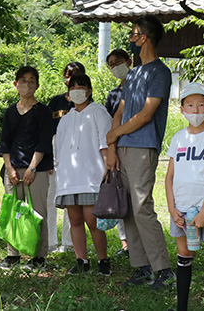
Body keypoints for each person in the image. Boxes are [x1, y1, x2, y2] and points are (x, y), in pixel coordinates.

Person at [106, 15, 174, 289]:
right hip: (122, 148)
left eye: (133, 35)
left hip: (142, 147)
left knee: (142, 207)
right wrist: (112, 145)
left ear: (143, 37)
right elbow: (120, 112)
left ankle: (164, 270)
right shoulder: (133, 74)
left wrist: (115, 134)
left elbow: (147, 114)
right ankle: (142, 267)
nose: (131, 39)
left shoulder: (160, 72)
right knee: (128, 210)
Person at [165, 82, 204, 311]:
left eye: (201, 105)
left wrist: (203, 213)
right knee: (184, 256)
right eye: (190, 105)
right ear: (182, 109)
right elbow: (168, 177)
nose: (195, 110)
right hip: (180, 208)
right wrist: (172, 209)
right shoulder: (178, 138)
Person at [0, 66, 54, 269]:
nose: (27, 84)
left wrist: (31, 168)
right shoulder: (10, 112)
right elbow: (5, 142)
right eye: (23, 80)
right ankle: (12, 255)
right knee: (13, 211)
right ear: (15, 84)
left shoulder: (44, 112)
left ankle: (38, 257)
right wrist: (9, 168)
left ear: (37, 85)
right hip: (12, 168)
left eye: (31, 81)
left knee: (37, 212)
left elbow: (44, 142)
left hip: (36, 169)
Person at [55, 73, 112, 275]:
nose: (77, 91)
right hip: (69, 179)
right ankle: (82, 261)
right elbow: (59, 149)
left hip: (92, 177)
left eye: (81, 87)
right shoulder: (65, 119)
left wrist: (107, 169)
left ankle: (103, 260)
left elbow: (105, 143)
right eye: (73, 88)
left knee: (93, 221)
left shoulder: (99, 112)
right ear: (68, 93)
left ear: (89, 91)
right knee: (75, 221)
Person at [47, 61, 85, 254]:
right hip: (55, 151)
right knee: (51, 198)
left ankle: (69, 243)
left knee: (73, 200)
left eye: (76, 75)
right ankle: (50, 242)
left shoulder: (91, 107)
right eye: (68, 74)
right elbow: (47, 131)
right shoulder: (55, 102)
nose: (71, 78)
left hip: (79, 155)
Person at [104, 49, 132, 255]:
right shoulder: (113, 94)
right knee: (119, 192)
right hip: (115, 149)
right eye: (111, 64)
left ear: (129, 62)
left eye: (118, 62)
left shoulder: (139, 89)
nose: (115, 67)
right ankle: (125, 243)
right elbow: (109, 123)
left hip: (134, 146)